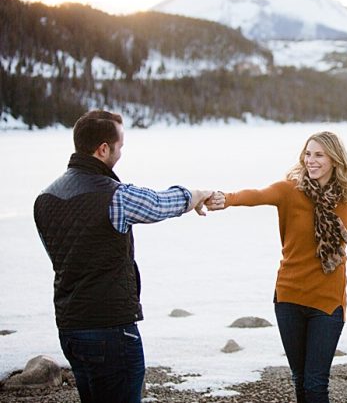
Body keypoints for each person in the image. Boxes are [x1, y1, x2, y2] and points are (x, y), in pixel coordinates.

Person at [33, 110, 213, 403]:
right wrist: (197, 194)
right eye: (120, 145)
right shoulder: (115, 196)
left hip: (70, 326)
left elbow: (61, 258)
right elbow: (158, 204)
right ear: (103, 149)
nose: (122, 151)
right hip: (110, 328)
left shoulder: (45, 199)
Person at [206, 131, 347, 403]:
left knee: (315, 383)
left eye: (319, 155)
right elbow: (256, 195)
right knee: (300, 379)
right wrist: (226, 198)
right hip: (289, 298)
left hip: (328, 303)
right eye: (307, 154)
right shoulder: (290, 191)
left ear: (335, 160)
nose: (311, 161)